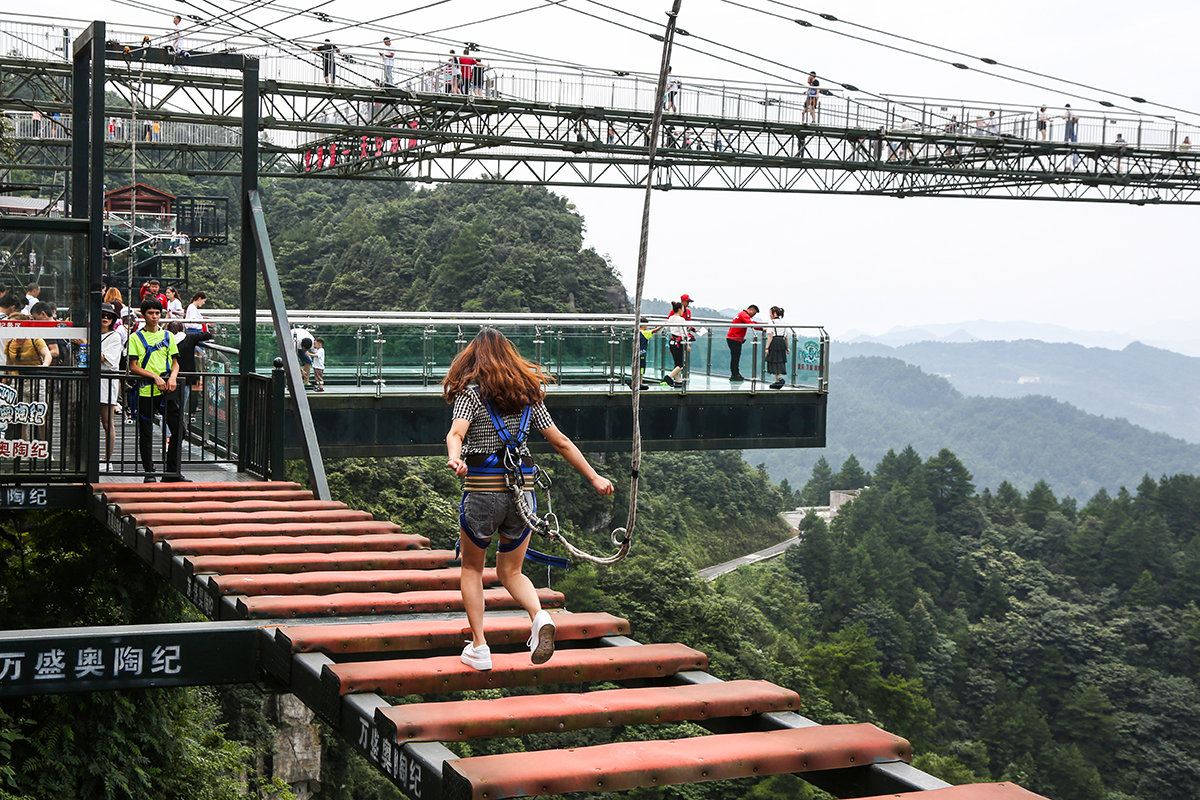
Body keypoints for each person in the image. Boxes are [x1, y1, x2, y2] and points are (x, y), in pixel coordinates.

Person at [444, 328, 614, 671]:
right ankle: (538, 616)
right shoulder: (529, 397)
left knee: (473, 569)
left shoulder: (471, 395)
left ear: (473, 358)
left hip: (483, 494)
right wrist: (595, 477)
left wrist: (456, 456)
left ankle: (479, 648)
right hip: (523, 498)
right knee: (511, 570)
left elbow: (456, 432)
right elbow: (561, 442)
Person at [127, 298, 183, 482]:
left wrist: (173, 377)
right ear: (144, 315)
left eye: (157, 313)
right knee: (146, 432)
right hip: (145, 391)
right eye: (151, 313)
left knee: (179, 430)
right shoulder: (135, 338)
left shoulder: (167, 336)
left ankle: (171, 471)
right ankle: (149, 472)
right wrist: (154, 376)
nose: (155, 317)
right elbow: (133, 366)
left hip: (167, 390)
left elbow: (175, 363)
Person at [167, 321, 213, 425]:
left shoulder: (166, 339)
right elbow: (207, 335)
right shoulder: (189, 338)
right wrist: (203, 325)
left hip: (168, 377)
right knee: (182, 405)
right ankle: (178, 430)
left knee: (168, 405)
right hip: (186, 377)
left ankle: (168, 433)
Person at [99, 303, 123, 466]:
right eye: (102, 315)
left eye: (109, 316)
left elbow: (109, 359)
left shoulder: (115, 337)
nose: (105, 318)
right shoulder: (91, 334)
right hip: (94, 379)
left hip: (107, 380)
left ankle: (108, 456)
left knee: (107, 422)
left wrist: (86, 345)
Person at [726, 304, 762, 382]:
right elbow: (751, 323)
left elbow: (752, 322)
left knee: (735, 357)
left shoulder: (742, 314)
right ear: (751, 310)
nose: (753, 315)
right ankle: (735, 374)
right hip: (734, 339)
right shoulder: (744, 314)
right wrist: (762, 328)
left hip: (734, 338)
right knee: (735, 358)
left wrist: (762, 325)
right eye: (754, 313)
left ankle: (735, 373)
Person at [661, 301, 688, 388]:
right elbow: (683, 332)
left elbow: (666, 327)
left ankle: (677, 381)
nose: (684, 311)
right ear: (680, 309)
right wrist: (687, 344)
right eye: (683, 309)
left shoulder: (671, 318)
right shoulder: (681, 320)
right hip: (679, 342)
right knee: (681, 364)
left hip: (672, 341)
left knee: (676, 362)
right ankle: (669, 377)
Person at [765, 306, 788, 389]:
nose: (770, 315)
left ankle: (779, 379)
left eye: (770, 313)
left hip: (774, 342)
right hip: (781, 342)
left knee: (773, 361)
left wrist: (767, 347)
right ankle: (777, 381)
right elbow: (786, 337)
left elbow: (770, 335)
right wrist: (787, 347)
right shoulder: (784, 323)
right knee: (779, 361)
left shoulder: (772, 323)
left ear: (774, 314)